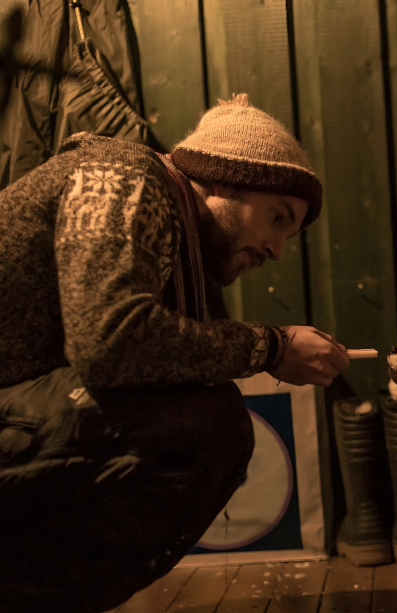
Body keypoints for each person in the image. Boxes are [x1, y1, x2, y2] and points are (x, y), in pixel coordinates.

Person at [0, 93, 349, 612]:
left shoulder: (180, 245)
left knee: (207, 421)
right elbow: (110, 340)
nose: (277, 250)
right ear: (224, 177)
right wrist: (271, 347)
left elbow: (169, 348)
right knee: (208, 425)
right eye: (277, 218)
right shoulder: (124, 177)